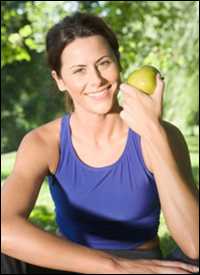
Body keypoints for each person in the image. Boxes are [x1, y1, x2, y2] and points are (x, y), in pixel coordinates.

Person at [1, 12, 199, 274]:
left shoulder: (161, 134)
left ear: (118, 62)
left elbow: (195, 244)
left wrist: (153, 132)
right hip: (75, 264)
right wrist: (115, 266)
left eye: (104, 63)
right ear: (60, 80)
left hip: (144, 267)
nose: (96, 80)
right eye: (79, 70)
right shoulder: (42, 142)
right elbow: (3, 226)